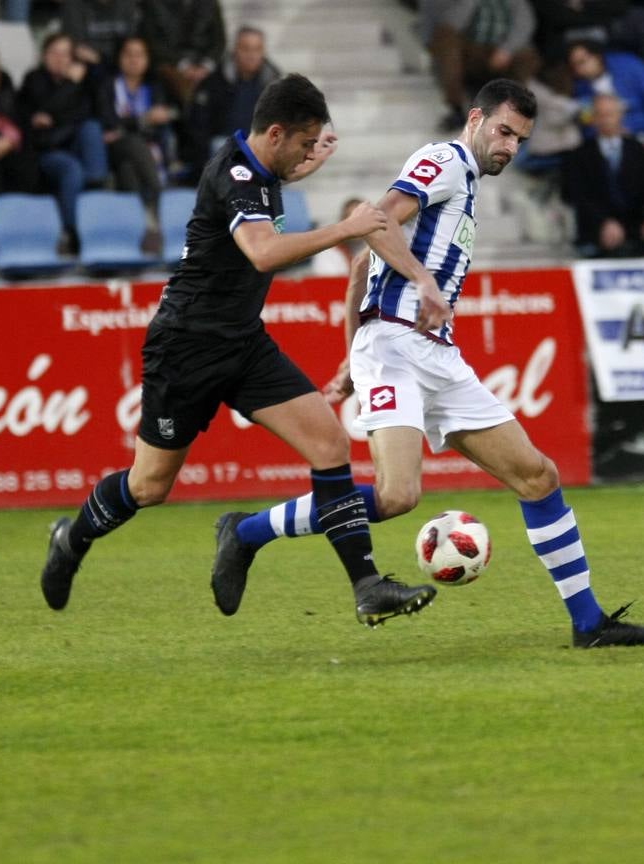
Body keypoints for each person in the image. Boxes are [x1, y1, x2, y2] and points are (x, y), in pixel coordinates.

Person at [212, 79, 644, 650]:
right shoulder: (444, 160)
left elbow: (361, 264)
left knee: (539, 476)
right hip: (398, 349)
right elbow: (375, 222)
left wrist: (352, 352)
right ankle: (247, 532)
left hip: (434, 355)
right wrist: (406, 303)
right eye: (503, 131)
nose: (509, 147)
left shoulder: (469, 184)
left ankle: (588, 624)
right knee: (397, 495)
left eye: (520, 140)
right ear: (475, 119)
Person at [40, 74, 437, 628]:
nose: (306, 156)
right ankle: (72, 536)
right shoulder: (235, 174)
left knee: (328, 442)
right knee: (149, 485)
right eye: (302, 144)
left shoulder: (266, 167)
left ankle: (367, 585)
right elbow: (264, 252)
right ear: (276, 133)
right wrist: (343, 227)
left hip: (244, 344)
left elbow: (278, 184)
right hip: (186, 347)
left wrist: (307, 162)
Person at [18, 32, 109, 248]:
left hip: (74, 144)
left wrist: (57, 116)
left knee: (92, 128)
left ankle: (96, 183)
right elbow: (44, 112)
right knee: (72, 168)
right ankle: (74, 234)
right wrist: (69, 84)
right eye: (54, 53)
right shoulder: (34, 79)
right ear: (43, 56)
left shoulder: (83, 82)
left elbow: (86, 114)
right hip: (46, 150)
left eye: (65, 54)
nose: (60, 58)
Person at [562, 92, 644, 256]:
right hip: (597, 230)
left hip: (638, 226)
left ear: (620, 116)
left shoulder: (638, 150)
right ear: (593, 119)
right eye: (601, 115)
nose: (606, 119)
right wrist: (603, 222)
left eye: (610, 114)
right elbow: (578, 196)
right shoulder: (579, 155)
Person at [99, 35, 176, 249]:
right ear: (120, 58)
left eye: (139, 55)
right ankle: (162, 204)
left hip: (145, 150)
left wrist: (128, 125)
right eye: (128, 54)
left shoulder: (155, 86)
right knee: (132, 144)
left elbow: (161, 120)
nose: (134, 60)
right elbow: (108, 121)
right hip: (116, 148)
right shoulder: (108, 85)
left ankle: (140, 234)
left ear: (147, 59)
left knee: (128, 169)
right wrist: (143, 120)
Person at [423, 0, 540, 132]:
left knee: (528, 56)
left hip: (501, 50)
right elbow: (450, 25)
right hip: (470, 50)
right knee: (445, 39)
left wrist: (507, 49)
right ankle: (456, 107)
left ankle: (517, 109)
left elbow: (525, 24)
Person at [183, 26, 282, 178]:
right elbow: (199, 127)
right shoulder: (214, 81)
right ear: (235, 50)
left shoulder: (275, 85)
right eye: (246, 49)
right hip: (223, 149)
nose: (251, 55)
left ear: (263, 52)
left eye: (257, 49)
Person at [566, 38, 644, 148]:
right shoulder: (581, 88)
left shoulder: (629, 65)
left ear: (597, 57)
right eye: (574, 65)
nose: (579, 69)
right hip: (610, 144)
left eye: (582, 62)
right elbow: (587, 123)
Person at [0, 24, 37, 209]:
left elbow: (12, 116)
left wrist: (8, 140)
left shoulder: (2, 78)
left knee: (26, 164)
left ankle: (23, 223)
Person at [140, 0, 227, 105]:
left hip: (204, 67)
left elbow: (219, 41)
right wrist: (183, 65)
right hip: (171, 63)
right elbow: (154, 42)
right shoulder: (154, 4)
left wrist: (205, 67)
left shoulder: (210, 3)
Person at [62, 0, 142, 72]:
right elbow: (79, 48)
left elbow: (131, 44)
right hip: (87, 69)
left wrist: (101, 59)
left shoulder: (128, 4)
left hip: (122, 66)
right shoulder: (74, 5)